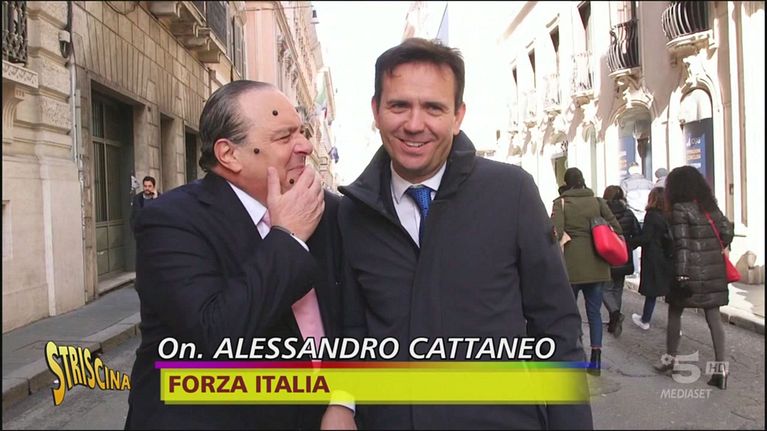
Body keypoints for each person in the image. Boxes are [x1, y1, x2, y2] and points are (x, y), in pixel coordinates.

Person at [334, 38, 592, 429]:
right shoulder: (353, 212)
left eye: (433, 108)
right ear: (376, 111)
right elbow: (353, 332)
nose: (414, 124)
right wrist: (344, 404)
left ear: (457, 116)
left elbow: (556, 327)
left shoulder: (511, 193)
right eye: (399, 105)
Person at [125, 80, 346, 429]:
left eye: (302, 132)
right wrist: (288, 238)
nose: (305, 145)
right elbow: (215, 336)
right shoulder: (170, 220)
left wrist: (343, 400)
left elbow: (351, 319)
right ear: (229, 154)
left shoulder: (325, 210)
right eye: (284, 137)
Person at [654, 166, 734, 390]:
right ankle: (721, 369)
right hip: (713, 271)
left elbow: (682, 245)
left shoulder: (680, 209)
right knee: (714, 318)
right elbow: (727, 232)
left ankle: (670, 360)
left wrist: (681, 275)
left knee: (675, 312)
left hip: (689, 271)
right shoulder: (710, 207)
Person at [552, 168, 623, 377]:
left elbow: (556, 232)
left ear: (566, 183)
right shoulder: (598, 202)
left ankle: (576, 354)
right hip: (597, 264)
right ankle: (596, 360)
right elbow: (616, 227)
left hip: (571, 266)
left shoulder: (561, 203)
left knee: (570, 312)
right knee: (594, 313)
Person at [630, 187, 673, 330]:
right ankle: (674, 325)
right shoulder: (669, 215)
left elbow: (646, 237)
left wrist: (630, 243)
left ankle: (645, 320)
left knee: (652, 292)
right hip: (667, 256)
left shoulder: (651, 216)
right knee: (669, 293)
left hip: (653, 257)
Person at [601, 185, 641, 337]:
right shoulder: (628, 213)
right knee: (617, 289)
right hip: (624, 256)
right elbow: (638, 234)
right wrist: (628, 246)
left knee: (605, 289)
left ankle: (615, 315)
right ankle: (615, 320)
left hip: (606, 255)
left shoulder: (602, 213)